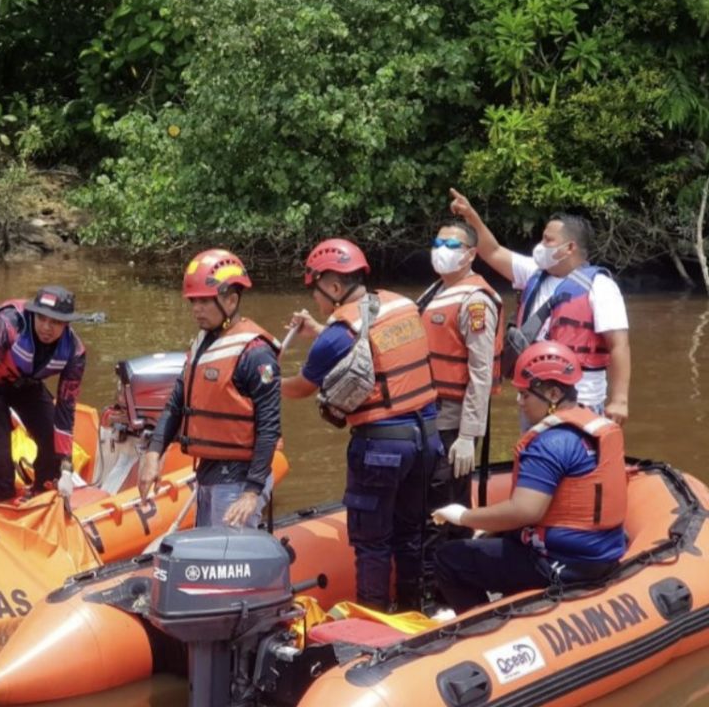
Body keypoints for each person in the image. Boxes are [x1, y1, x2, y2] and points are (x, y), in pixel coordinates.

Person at [281, 239, 442, 611]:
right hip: (426, 438)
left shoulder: (339, 333)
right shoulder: (401, 305)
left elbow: (301, 388)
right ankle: (414, 607)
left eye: (318, 291)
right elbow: (372, 346)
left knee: (372, 542)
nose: (318, 301)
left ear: (335, 287)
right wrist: (320, 330)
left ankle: (372, 617)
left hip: (381, 449)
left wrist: (267, 379)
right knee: (411, 533)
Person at [431, 341, 627, 613]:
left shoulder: (549, 444)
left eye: (526, 395)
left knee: (449, 558)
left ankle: (481, 627)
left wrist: (463, 517)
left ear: (554, 394)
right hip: (600, 555)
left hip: (562, 563)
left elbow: (526, 511)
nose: (519, 402)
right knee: (494, 540)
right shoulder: (592, 428)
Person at [448, 190, 630, 424]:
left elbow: (619, 345)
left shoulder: (600, 287)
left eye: (548, 240)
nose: (541, 245)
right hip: (532, 396)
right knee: (534, 456)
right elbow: (492, 251)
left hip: (579, 399)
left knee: (571, 456)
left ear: (569, 248)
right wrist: (470, 216)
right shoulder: (534, 272)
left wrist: (619, 400)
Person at [137, 250, 280, 529]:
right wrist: (154, 453)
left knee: (227, 560)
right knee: (210, 556)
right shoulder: (203, 343)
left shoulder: (256, 353)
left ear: (231, 299)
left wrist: (252, 491)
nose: (196, 309)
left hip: (240, 476)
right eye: (193, 301)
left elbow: (269, 426)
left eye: (204, 301)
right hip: (209, 470)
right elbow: (176, 403)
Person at [416, 220, 504, 541]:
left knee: (446, 499)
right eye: (438, 243)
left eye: (452, 246)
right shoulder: (437, 291)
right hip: (427, 415)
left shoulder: (475, 301)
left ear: (470, 255)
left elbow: (480, 373)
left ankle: (452, 574)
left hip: (453, 421)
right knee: (428, 498)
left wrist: (468, 435)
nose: (442, 251)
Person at [0, 286, 89, 502]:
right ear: (34, 314)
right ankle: (0, 503)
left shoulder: (75, 353)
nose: (47, 328)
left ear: (67, 323)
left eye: (56, 322)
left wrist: (66, 469)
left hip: (25, 380)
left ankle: (41, 490)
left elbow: (65, 410)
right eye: (42, 318)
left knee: (52, 441)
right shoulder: (6, 327)